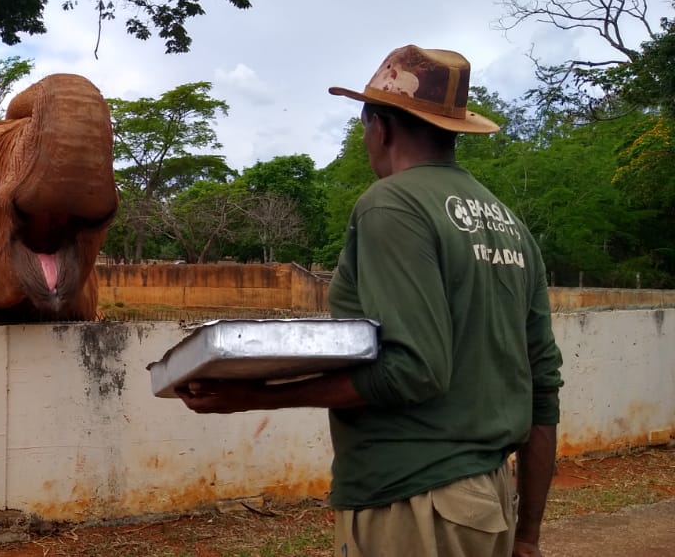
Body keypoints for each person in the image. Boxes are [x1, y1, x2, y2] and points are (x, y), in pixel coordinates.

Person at [176, 45, 564, 557]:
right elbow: (544, 389)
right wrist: (529, 533)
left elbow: (413, 371)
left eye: (364, 128)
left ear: (380, 126)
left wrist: (256, 396)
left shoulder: (392, 204)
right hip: (487, 508)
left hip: (413, 504)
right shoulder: (509, 224)